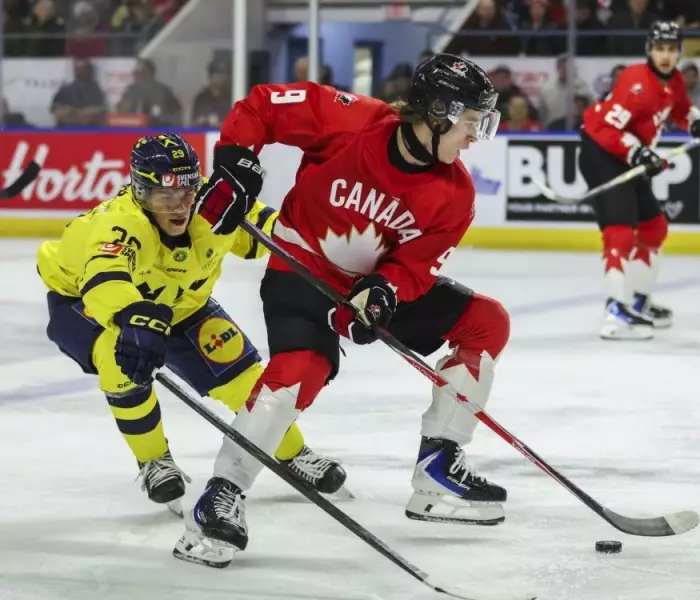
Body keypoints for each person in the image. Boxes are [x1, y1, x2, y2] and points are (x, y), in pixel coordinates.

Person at [175, 54, 511, 567]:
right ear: (438, 113)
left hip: (366, 289)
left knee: (487, 321)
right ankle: (221, 494)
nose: (474, 138)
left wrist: (382, 292)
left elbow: (415, 266)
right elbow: (262, 106)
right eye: (470, 123)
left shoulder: (455, 194)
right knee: (295, 374)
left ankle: (437, 469)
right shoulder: (351, 119)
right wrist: (236, 160)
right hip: (300, 274)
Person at [37, 133, 346, 515]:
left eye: (186, 192)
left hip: (182, 303)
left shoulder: (212, 203)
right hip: (86, 303)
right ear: (139, 191)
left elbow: (277, 231)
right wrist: (130, 316)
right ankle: (154, 461)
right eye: (164, 196)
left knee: (247, 379)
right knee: (122, 364)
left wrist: (332, 248)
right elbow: (105, 278)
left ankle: (293, 453)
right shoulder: (116, 225)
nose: (179, 206)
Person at [579, 21, 700, 340]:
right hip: (601, 153)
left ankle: (639, 301)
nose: (666, 55)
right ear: (650, 50)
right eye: (660, 49)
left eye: (672, 49)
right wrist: (638, 152)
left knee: (654, 227)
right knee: (620, 232)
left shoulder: (674, 81)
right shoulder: (634, 81)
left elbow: (681, 109)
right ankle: (615, 311)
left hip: (629, 155)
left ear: (679, 51)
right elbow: (606, 130)